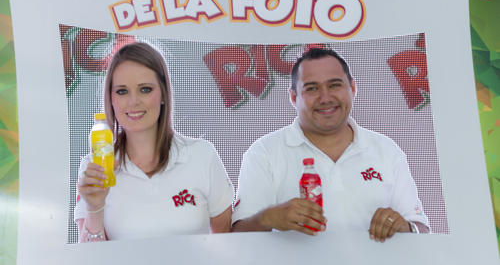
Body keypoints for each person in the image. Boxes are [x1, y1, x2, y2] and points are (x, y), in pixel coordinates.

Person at [232, 47, 430, 242]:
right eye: (312, 88)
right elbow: (237, 237)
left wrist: (404, 226)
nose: (325, 98)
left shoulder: (386, 150)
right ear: (294, 97)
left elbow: (420, 228)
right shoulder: (264, 153)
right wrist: (268, 218)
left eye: (334, 85)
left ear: (352, 88)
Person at [75, 42, 233, 242]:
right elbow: (89, 262)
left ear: (163, 94)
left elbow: (228, 244)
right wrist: (94, 208)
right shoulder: (94, 169)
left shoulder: (202, 156)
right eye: (122, 91)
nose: (133, 102)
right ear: (111, 99)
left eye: (145, 89)